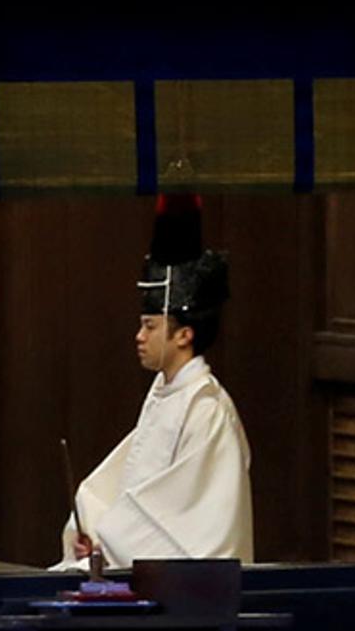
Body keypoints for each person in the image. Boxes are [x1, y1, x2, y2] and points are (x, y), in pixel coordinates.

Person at [57, 209, 253, 569]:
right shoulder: (165, 394)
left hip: (187, 587)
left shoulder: (208, 409)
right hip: (136, 560)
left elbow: (186, 524)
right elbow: (130, 484)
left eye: (150, 327)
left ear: (183, 334)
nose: (139, 337)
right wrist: (93, 529)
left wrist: (109, 541)